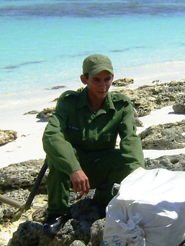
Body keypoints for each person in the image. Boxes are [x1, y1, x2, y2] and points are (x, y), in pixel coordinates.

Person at [42, 54, 145, 235]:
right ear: (84, 79)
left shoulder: (121, 106)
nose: (103, 85)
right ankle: (57, 212)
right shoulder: (69, 103)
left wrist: (140, 176)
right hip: (73, 171)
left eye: (107, 79)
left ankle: (103, 201)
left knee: (126, 160)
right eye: (96, 80)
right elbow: (51, 134)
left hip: (101, 167)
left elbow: (130, 139)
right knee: (56, 154)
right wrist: (74, 168)